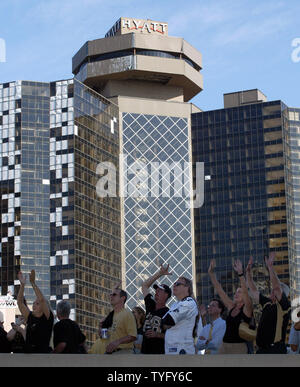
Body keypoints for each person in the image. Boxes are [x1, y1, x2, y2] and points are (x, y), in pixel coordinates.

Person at [246, 253, 291, 354]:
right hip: (261, 350)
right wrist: (248, 272)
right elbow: (253, 290)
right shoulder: (267, 303)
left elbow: (277, 288)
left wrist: (270, 268)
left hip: (275, 349)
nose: (272, 291)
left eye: (275, 291)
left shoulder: (284, 306)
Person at [208, 259, 253, 354]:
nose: (236, 294)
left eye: (239, 292)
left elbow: (245, 291)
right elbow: (219, 290)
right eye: (236, 292)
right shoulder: (232, 306)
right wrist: (211, 274)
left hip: (239, 348)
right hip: (224, 346)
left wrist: (240, 273)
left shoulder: (247, 309)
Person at [89, 284, 137, 354]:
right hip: (109, 353)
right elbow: (104, 337)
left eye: (114, 295)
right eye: (110, 295)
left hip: (123, 353)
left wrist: (118, 342)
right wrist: (101, 327)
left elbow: (133, 336)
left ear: (122, 298)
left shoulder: (127, 314)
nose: (111, 296)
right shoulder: (110, 316)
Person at [17, 270, 54, 353]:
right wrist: (22, 285)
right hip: (28, 356)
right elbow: (19, 302)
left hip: (41, 357)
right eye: (33, 303)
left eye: (37, 303)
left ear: (44, 307)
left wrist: (33, 283)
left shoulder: (48, 317)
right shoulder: (30, 316)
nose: (34, 305)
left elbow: (42, 300)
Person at [162, 276, 199, 355]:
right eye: (174, 283)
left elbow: (169, 320)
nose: (174, 285)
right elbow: (162, 324)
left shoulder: (189, 303)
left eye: (178, 284)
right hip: (171, 349)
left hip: (182, 350)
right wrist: (165, 323)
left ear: (187, 288)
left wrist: (166, 324)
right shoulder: (175, 304)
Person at [140, 264, 172, 354]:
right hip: (144, 352)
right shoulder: (150, 304)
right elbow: (144, 286)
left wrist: (157, 335)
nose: (156, 292)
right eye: (156, 290)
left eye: (160, 290)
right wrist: (159, 274)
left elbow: (173, 336)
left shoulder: (169, 313)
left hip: (159, 354)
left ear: (166, 295)